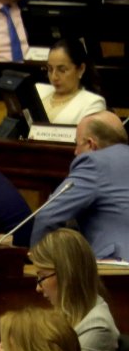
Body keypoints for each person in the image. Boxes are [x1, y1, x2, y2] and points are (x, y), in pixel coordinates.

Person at [29, 111, 129, 260]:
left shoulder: (94, 163)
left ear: (91, 144)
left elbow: (47, 217)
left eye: (77, 144)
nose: (75, 152)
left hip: (116, 269)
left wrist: (38, 267)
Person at [36, 38, 105, 125]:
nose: (54, 77)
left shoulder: (93, 103)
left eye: (62, 70)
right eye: (50, 69)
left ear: (81, 69)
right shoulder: (38, 89)